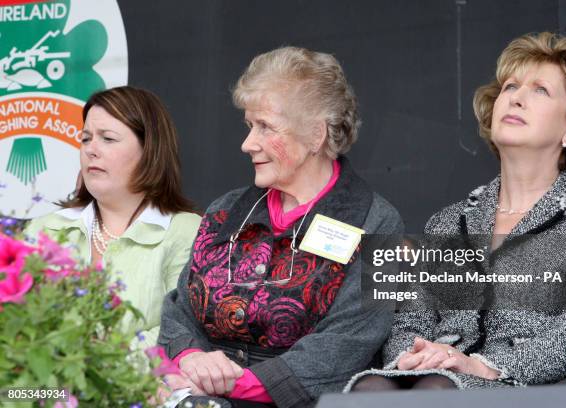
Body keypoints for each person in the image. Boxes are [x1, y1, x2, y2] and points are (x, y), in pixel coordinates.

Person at [346, 32, 566, 392]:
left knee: (437, 388)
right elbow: (409, 322)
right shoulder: (448, 221)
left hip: (524, 388)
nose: (516, 98)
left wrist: (483, 365)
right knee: (373, 388)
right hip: (434, 374)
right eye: (509, 87)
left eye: (540, 90)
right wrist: (415, 355)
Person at [158, 46, 403, 407]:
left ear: (316, 135)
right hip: (198, 396)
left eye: (265, 127)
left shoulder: (380, 222)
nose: (246, 143)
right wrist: (192, 360)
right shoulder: (224, 211)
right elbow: (179, 311)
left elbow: (349, 342)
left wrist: (232, 384)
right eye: (248, 126)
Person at [25, 86, 201, 348]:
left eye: (107, 138)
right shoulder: (43, 229)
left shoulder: (186, 231)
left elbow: (181, 332)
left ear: (149, 150)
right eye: (86, 138)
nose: (90, 150)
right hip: (44, 388)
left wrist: (96, 363)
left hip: (139, 386)